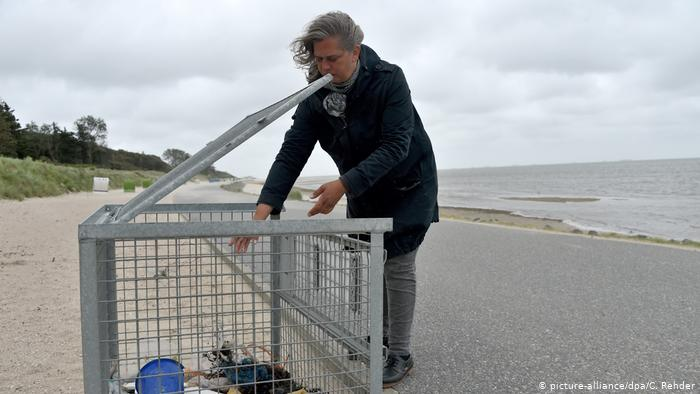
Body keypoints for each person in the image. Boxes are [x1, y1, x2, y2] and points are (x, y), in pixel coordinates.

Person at [230, 11, 438, 388]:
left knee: (399, 262)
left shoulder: (389, 79)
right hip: (363, 186)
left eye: (332, 59)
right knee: (379, 259)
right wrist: (262, 211)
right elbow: (293, 151)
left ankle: (401, 353)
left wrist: (341, 185)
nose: (323, 67)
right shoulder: (315, 93)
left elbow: (396, 145)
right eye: (317, 59)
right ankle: (383, 337)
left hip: (409, 184)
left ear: (355, 51)